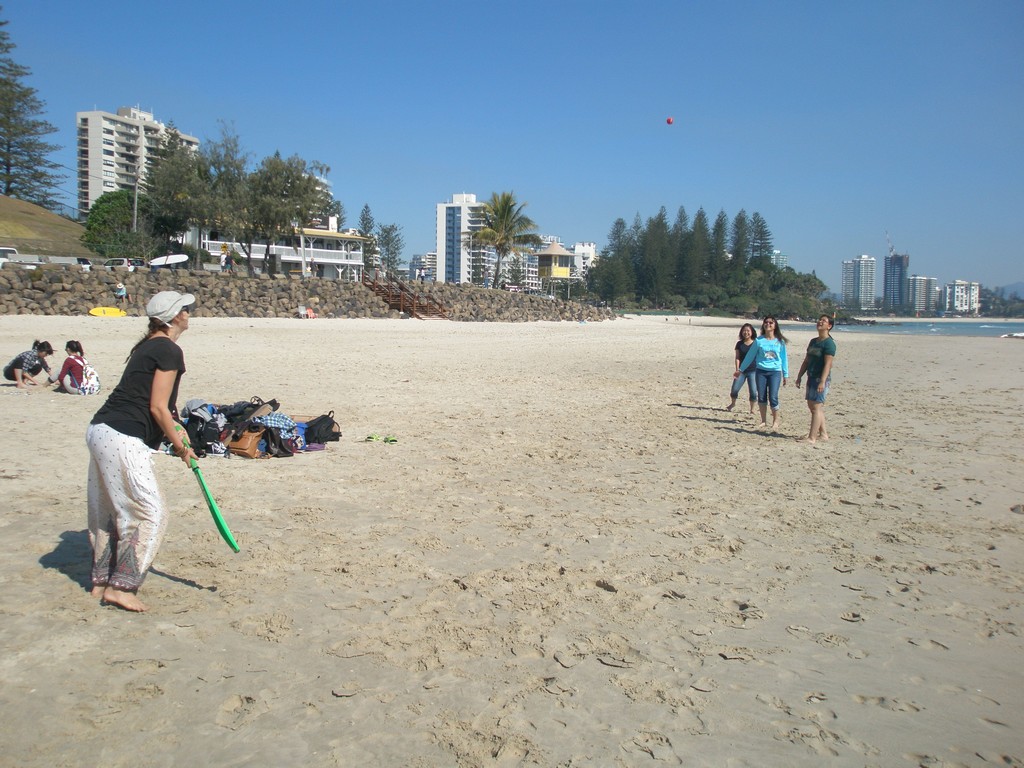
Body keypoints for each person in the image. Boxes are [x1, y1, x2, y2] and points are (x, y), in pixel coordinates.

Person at [86, 290, 198, 612]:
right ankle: (122, 587)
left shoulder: (149, 346)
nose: (189, 313)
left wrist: (179, 431)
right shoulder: (168, 349)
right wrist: (182, 450)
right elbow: (157, 407)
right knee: (152, 512)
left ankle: (102, 581)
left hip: (100, 430)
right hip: (122, 436)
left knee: (111, 511)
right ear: (176, 317)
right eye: (186, 309)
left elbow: (165, 409)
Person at [737, 316, 789, 431]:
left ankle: (775, 421)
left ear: (775, 325)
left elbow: (784, 358)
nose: (768, 324)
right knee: (761, 396)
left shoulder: (780, 341)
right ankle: (763, 421)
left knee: (773, 396)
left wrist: (785, 374)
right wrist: (740, 370)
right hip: (760, 371)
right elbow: (750, 356)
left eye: (771, 322)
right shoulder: (759, 341)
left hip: (775, 372)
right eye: (766, 322)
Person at [795, 315, 837, 444]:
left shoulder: (829, 343)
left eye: (823, 321)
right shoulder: (813, 341)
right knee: (812, 406)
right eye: (819, 320)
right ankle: (823, 434)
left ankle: (812, 438)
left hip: (820, 378)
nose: (820, 322)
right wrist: (799, 375)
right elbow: (807, 360)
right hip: (811, 376)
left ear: (829, 326)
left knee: (816, 407)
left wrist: (822, 381)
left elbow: (828, 364)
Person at [726, 323, 758, 413]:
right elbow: (737, 357)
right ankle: (733, 403)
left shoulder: (756, 343)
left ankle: (752, 409)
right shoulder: (739, 344)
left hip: (753, 370)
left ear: (752, 332)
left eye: (748, 330)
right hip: (741, 371)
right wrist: (737, 369)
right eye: (744, 330)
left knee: (753, 391)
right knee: (734, 390)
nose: (746, 332)